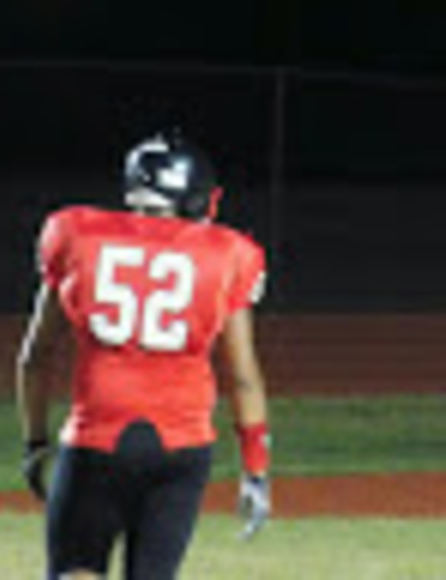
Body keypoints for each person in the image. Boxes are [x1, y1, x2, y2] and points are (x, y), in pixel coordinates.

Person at [16, 130, 271, 580]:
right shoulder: (229, 252)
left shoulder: (76, 234)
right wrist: (255, 467)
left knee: (75, 571)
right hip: (182, 445)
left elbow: (36, 356)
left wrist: (35, 442)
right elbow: (242, 376)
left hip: (97, 438)